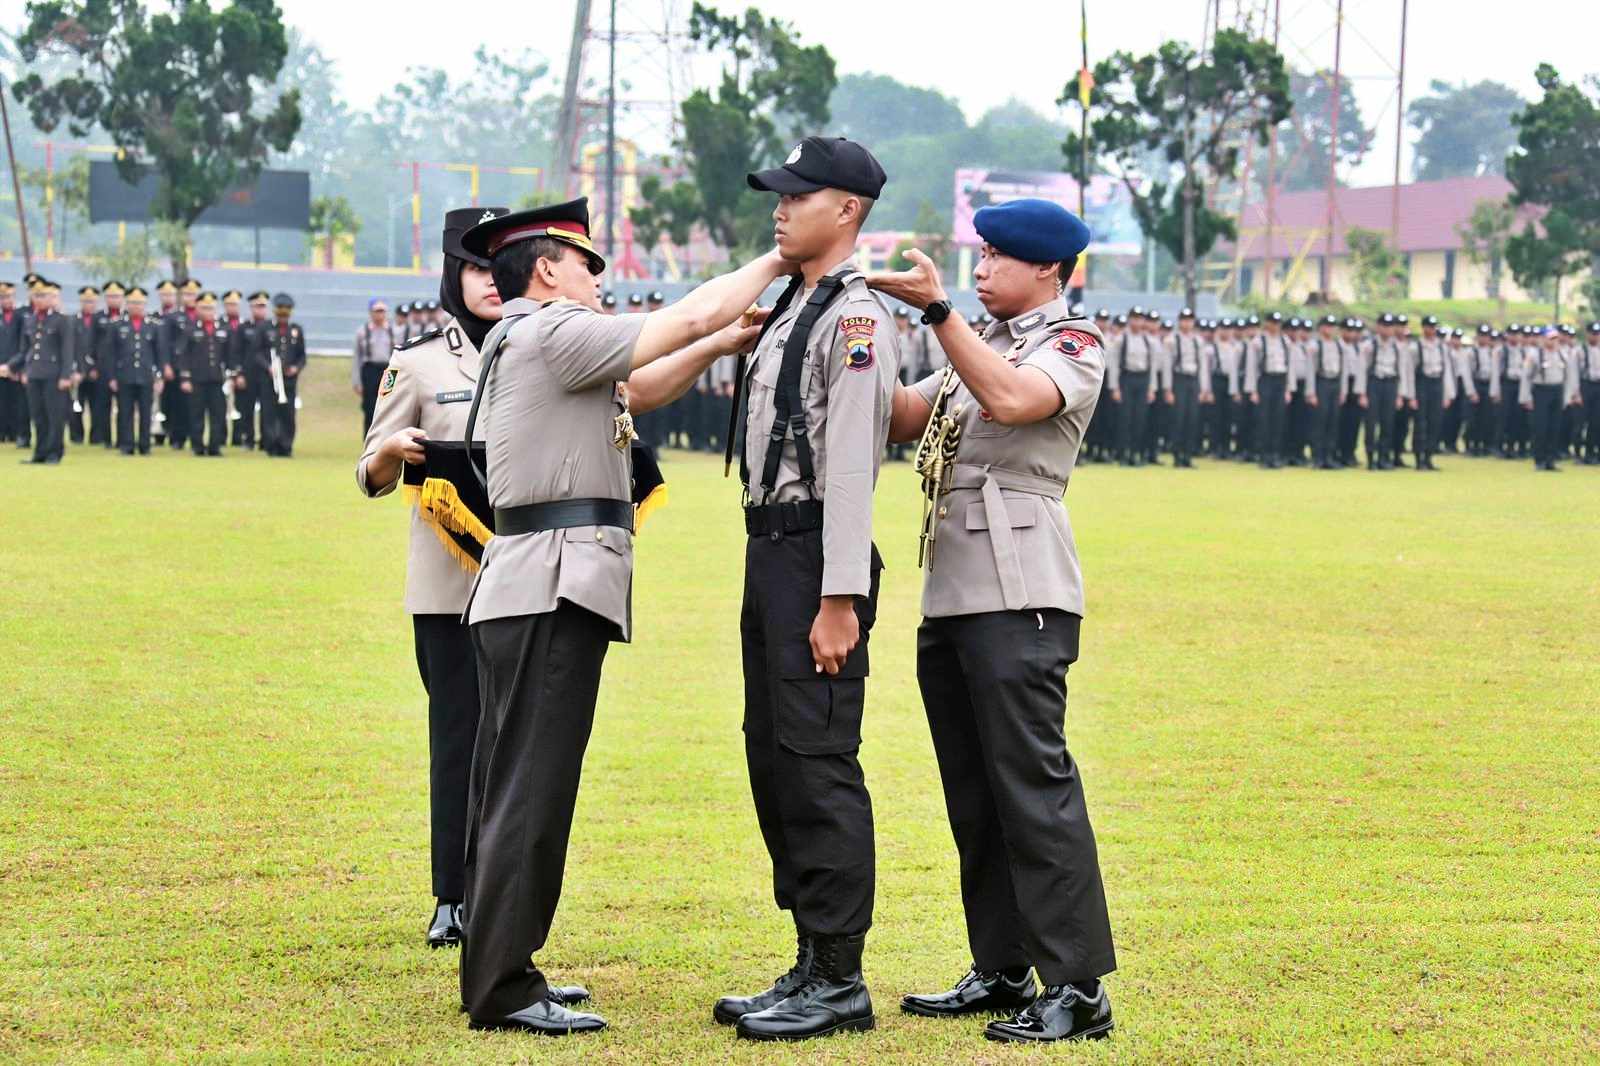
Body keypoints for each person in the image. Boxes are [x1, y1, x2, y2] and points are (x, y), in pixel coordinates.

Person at [454, 196, 785, 1036]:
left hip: (532, 584)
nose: (598, 278)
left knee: (515, 785)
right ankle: (502, 989)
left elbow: (640, 384)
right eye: (585, 264)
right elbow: (684, 314)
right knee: (531, 791)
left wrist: (718, 343)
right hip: (551, 586)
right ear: (546, 272)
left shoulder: (535, 341)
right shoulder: (553, 331)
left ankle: (504, 966)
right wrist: (780, 259)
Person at [868, 197, 1116, 1044]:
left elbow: (1011, 402)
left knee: (1033, 790)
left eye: (997, 258)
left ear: (1047, 268)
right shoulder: (986, 345)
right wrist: (845, 335)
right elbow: (904, 416)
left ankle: (1078, 986)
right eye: (977, 256)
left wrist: (938, 314)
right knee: (974, 792)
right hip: (956, 593)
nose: (980, 270)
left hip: (1021, 591)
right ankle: (1005, 966)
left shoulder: (1068, 344)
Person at [711, 136, 898, 1043]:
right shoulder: (792, 304)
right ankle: (808, 953)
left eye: (797, 196)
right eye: (777, 196)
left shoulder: (855, 319)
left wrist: (838, 598)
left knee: (819, 760)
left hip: (817, 557)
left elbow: (854, 468)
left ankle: (841, 976)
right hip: (770, 553)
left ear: (848, 211)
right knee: (773, 754)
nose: (779, 209)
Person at [356, 205, 580, 959]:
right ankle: (452, 895)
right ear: (454, 276)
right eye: (476, 267)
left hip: (534, 581)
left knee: (519, 744)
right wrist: (390, 449)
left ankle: (500, 894)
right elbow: (369, 473)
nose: (489, 281)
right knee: (460, 738)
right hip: (452, 590)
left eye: (499, 266)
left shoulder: (546, 347)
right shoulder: (419, 364)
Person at [4, 280, 77, 464]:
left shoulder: (62, 320)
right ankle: (40, 452)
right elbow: (25, 351)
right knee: (38, 416)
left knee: (55, 416)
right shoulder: (30, 320)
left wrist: (65, 375)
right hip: (34, 374)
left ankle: (54, 452)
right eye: (36, 296)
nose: (39, 299)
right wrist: (13, 367)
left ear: (52, 298)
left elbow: (67, 350)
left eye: (43, 295)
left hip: (54, 375)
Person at [177, 291, 232, 456]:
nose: (208, 311)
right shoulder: (190, 329)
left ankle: (215, 446)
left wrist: (232, 375)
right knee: (196, 414)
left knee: (218, 414)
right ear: (198, 309)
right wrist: (185, 377)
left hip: (217, 379)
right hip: (197, 379)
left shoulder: (223, 329)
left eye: (211, 308)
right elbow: (183, 355)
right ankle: (198, 446)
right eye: (204, 308)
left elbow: (230, 355)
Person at [108, 286, 162, 455]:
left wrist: (159, 377)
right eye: (132, 303)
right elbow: (111, 353)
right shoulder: (117, 325)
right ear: (127, 304)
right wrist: (112, 377)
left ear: (145, 305)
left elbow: (159, 353)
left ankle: (145, 445)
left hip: (146, 376)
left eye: (139, 303)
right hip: (125, 375)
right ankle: (127, 445)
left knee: (146, 412)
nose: (136, 306)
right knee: (125, 412)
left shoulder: (153, 326)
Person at [1519, 327, 1580, 471]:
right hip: (1541, 391)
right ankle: (1539, 460)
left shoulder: (1563, 354)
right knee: (1541, 427)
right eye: (1550, 338)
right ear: (1543, 339)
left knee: (1554, 427)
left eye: (1555, 338)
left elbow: (1568, 377)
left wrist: (1567, 397)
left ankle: (1550, 460)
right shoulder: (1534, 355)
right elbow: (1526, 378)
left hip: (1557, 391)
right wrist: (1525, 398)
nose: (1553, 341)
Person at [262, 294, 306, 457]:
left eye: (285, 314)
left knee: (288, 415)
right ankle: (271, 446)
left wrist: (295, 368)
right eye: (280, 314)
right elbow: (257, 352)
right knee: (269, 414)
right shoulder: (265, 328)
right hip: (269, 380)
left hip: (288, 381)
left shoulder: (296, 330)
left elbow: (302, 356)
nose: (283, 317)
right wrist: (268, 366)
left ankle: (286, 446)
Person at [353, 298, 399, 434]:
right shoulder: (363, 332)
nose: (380, 314)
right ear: (371, 313)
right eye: (377, 311)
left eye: (382, 311)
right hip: (369, 371)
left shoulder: (393, 331)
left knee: (388, 406)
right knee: (369, 408)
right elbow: (357, 358)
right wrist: (357, 382)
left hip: (388, 371)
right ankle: (369, 441)